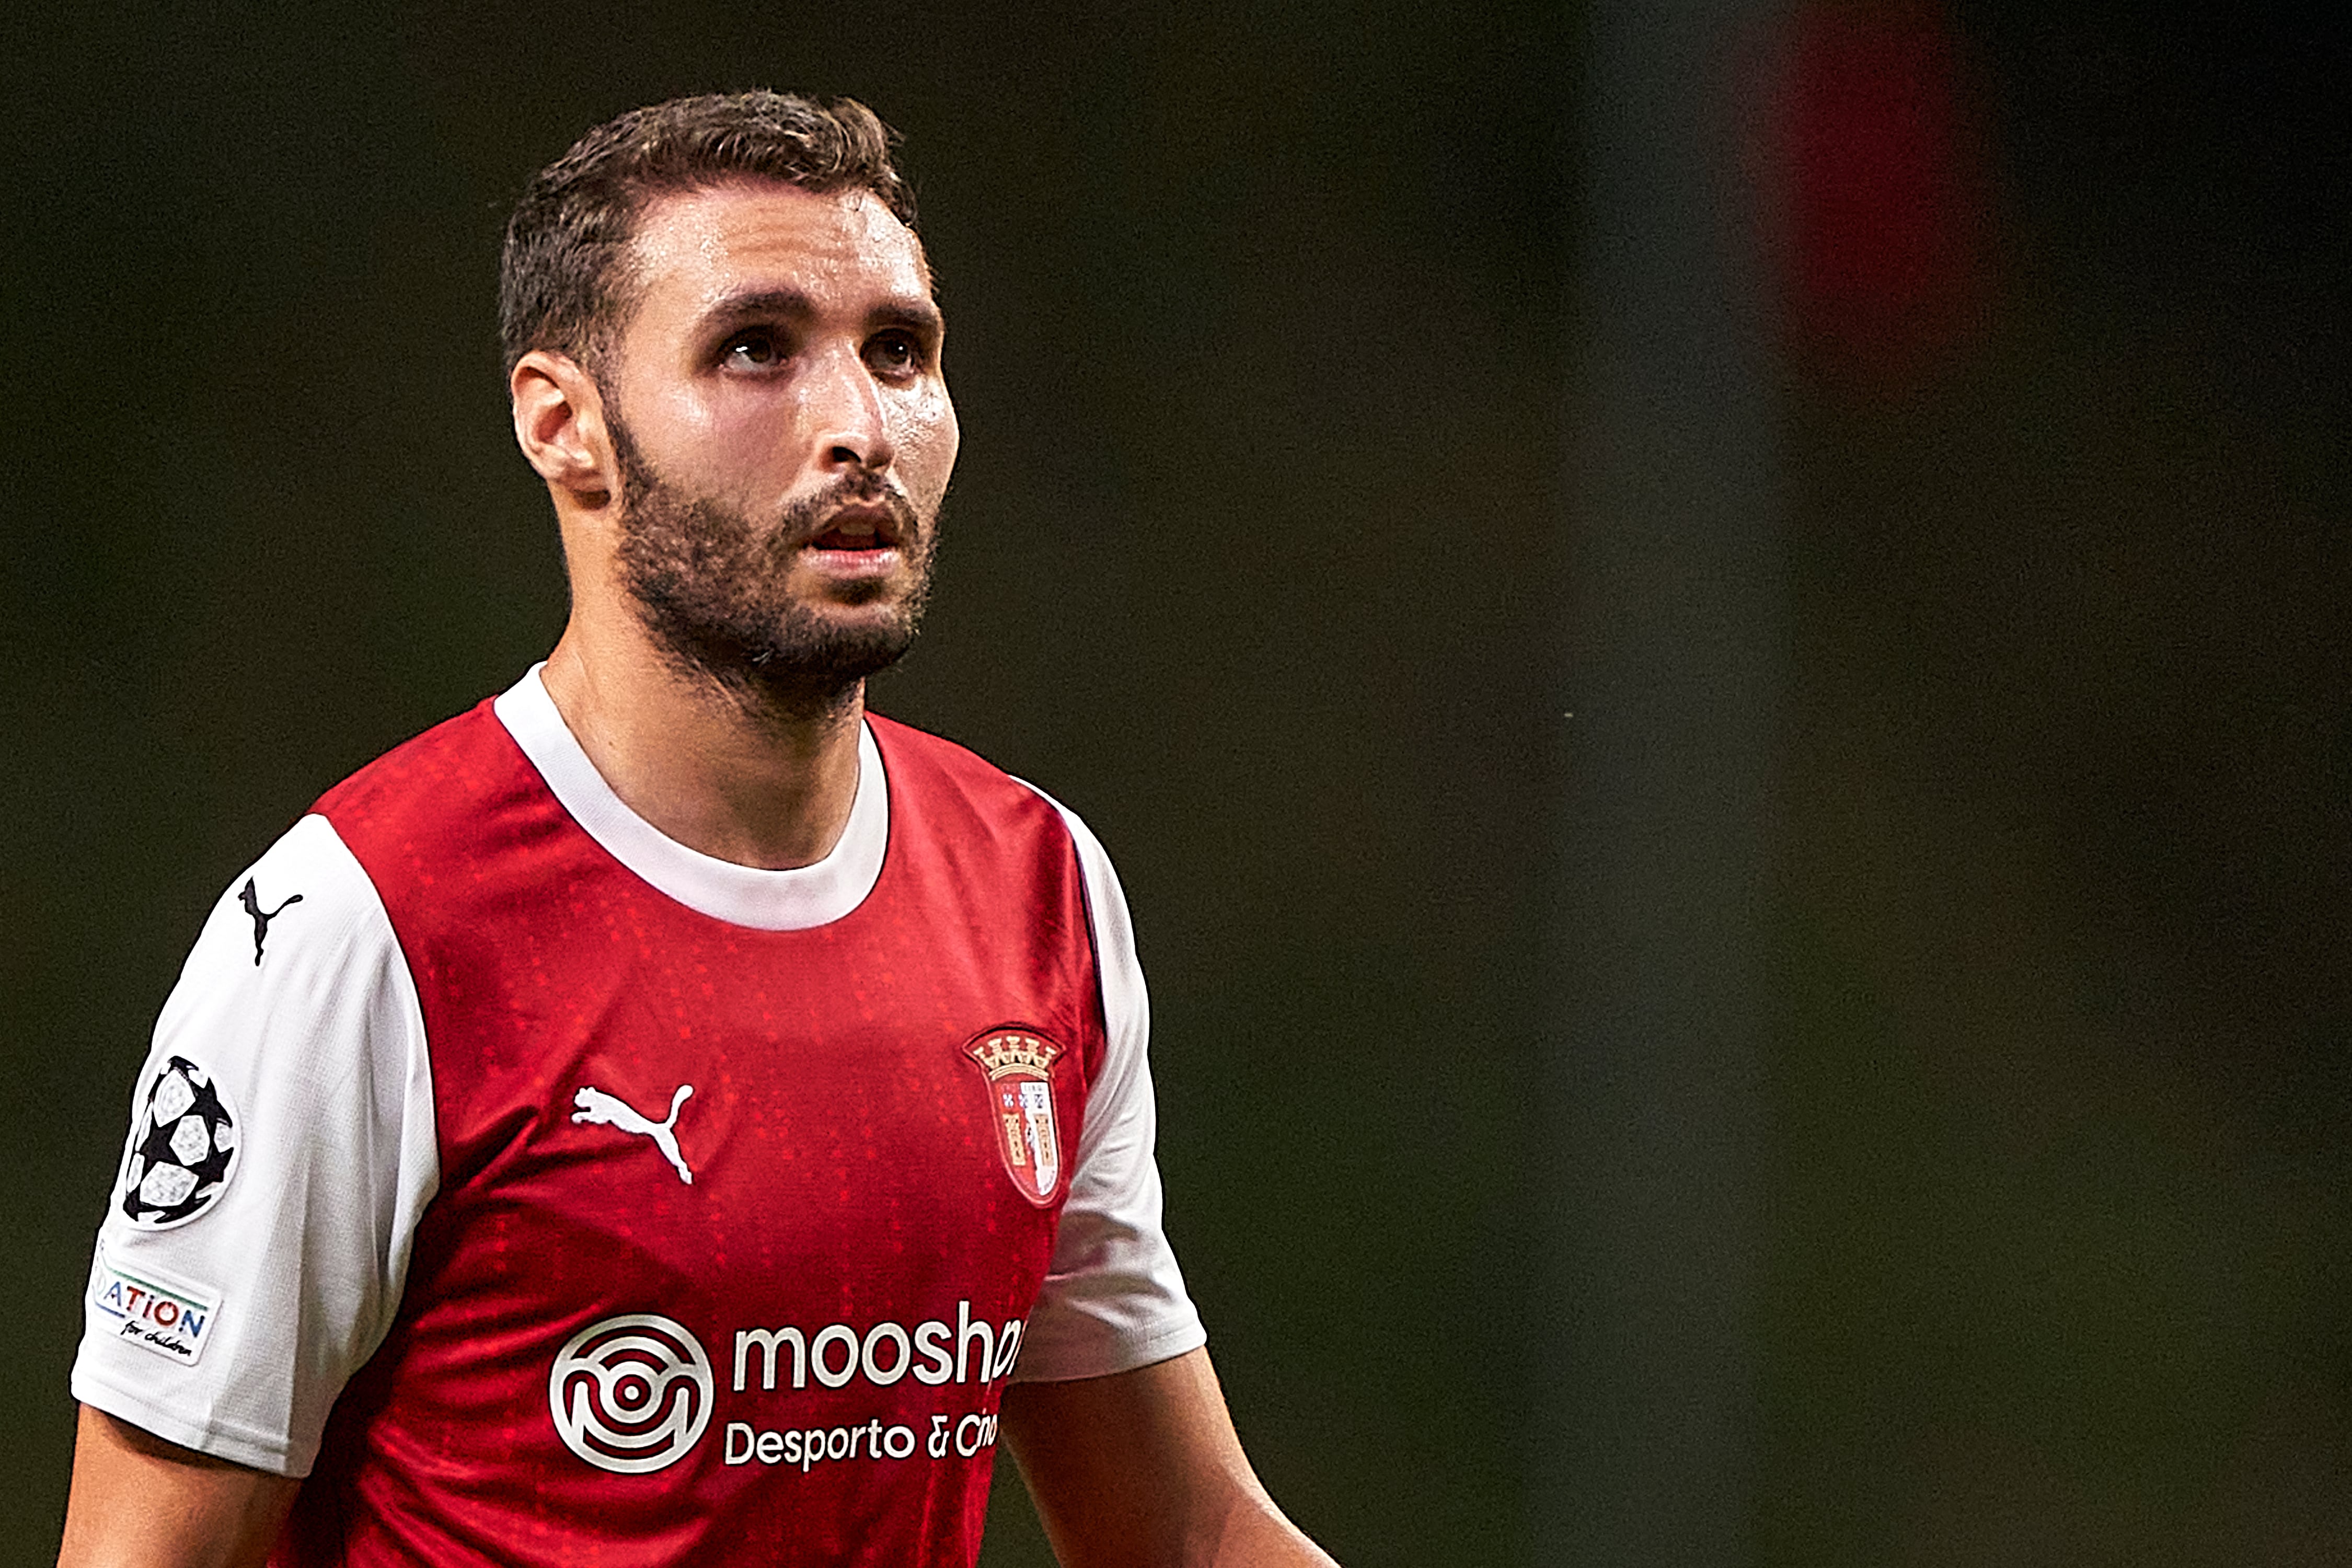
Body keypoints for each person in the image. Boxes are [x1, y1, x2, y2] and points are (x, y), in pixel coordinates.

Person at [58, 91, 1339, 1568]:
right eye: (756, 350)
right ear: (565, 426)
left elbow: (1175, 1532)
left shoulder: (1033, 884)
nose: (859, 426)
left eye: (899, 353)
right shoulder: (364, 922)